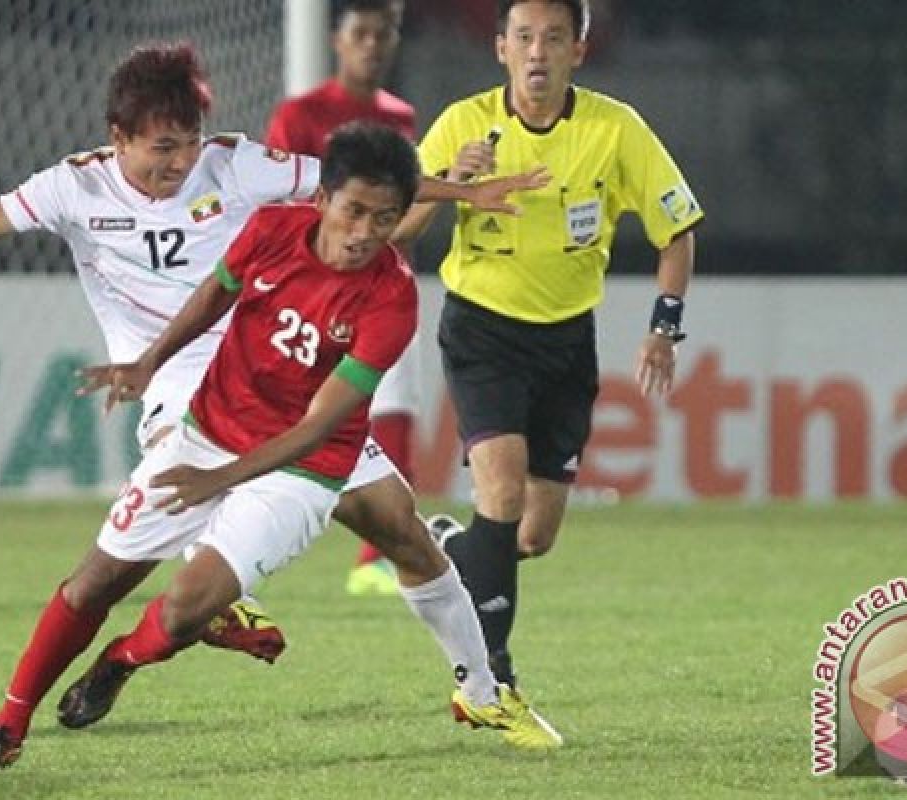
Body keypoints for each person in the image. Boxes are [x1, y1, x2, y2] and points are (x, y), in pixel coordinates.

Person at [0, 43, 556, 768]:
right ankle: (31, 710)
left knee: (399, 526)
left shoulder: (252, 179)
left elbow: (362, 186)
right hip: (192, 387)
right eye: (161, 148)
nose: (178, 162)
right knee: (104, 577)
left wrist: (462, 194)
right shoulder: (74, 189)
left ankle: (479, 686)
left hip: (290, 404)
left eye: (187, 144)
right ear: (118, 138)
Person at [47, 122, 558, 763]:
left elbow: (319, 424)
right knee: (182, 611)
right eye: (354, 212)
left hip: (316, 437)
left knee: (408, 536)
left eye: (385, 218)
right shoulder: (268, 220)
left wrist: (456, 191)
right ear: (323, 201)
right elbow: (220, 288)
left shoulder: (388, 290)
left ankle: (482, 691)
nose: (367, 230)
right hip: (229, 415)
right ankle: (125, 654)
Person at [397, 0, 704, 690]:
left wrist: (664, 328)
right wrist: (455, 185)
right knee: (499, 494)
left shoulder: (614, 129)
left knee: (529, 536)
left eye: (555, 39)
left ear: (579, 53)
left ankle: (448, 550)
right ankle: (490, 678)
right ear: (501, 48)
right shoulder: (464, 124)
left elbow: (676, 230)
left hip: (566, 342)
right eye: (525, 38)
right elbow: (397, 228)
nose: (538, 52)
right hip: (482, 330)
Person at [267, 0, 421, 597]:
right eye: (361, 33)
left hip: (383, 290)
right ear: (336, 39)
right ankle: (234, 546)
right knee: (287, 416)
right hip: (318, 294)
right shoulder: (301, 115)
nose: (373, 44)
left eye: (384, 34)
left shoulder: (401, 117)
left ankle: (375, 559)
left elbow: (402, 219)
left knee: (397, 405)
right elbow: (282, 204)